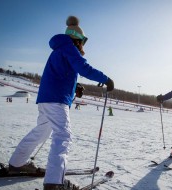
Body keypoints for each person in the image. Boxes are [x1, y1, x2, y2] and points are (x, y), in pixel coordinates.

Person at [8, 16, 114, 190]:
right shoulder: (69, 47)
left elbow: (61, 73)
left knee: (40, 133)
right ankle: (54, 182)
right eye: (82, 42)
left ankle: (16, 164)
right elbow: (84, 68)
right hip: (56, 101)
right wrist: (106, 79)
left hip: (47, 98)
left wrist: (75, 87)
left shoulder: (60, 48)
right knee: (63, 136)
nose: (82, 46)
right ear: (78, 40)